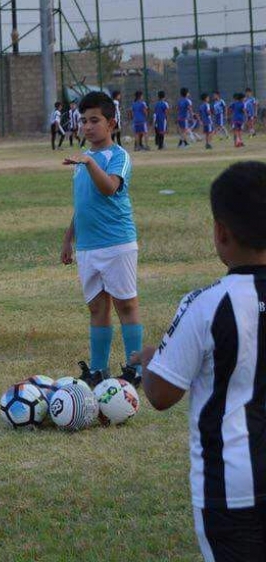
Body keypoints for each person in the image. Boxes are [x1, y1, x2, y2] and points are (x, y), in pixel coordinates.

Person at [133, 161, 266, 562]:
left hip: (231, 487)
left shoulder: (205, 304)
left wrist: (153, 360)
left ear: (220, 231)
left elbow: (160, 393)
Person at [60, 91, 142, 388]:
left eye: (95, 120)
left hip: (117, 243)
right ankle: (97, 370)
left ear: (111, 122)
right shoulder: (85, 159)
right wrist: (69, 238)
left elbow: (109, 188)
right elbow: (82, 205)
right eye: (83, 121)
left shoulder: (118, 156)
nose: (87, 126)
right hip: (88, 247)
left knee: (126, 306)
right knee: (97, 308)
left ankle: (136, 369)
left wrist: (89, 163)